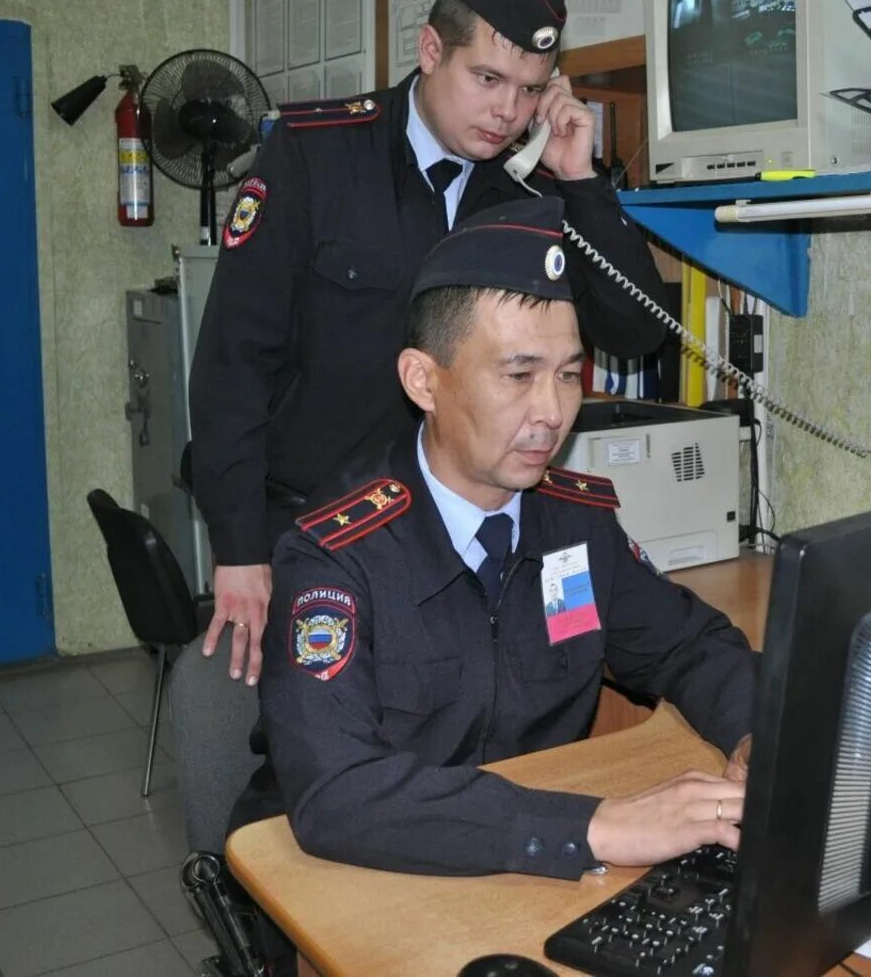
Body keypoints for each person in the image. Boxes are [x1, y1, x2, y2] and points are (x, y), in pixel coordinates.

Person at [230, 197, 757, 884]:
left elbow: (691, 646)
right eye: (518, 375)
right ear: (424, 380)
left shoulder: (575, 525)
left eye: (569, 375)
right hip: (358, 878)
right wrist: (597, 828)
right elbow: (337, 792)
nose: (552, 412)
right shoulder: (337, 554)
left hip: (523, 867)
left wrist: (755, 735)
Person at [190, 0, 670, 688]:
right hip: (317, 534)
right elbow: (231, 365)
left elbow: (636, 331)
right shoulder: (316, 156)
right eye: (487, 77)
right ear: (429, 50)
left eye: (529, 88)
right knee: (318, 764)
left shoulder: (530, 194)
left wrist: (579, 182)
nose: (507, 111)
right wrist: (238, 546)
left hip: (464, 547)